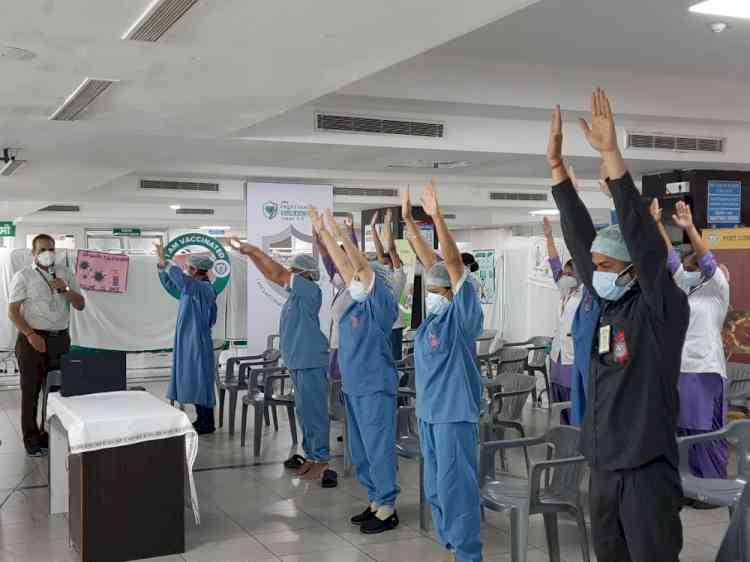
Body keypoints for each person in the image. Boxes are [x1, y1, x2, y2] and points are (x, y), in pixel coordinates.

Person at [548, 90, 689, 562]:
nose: (597, 271)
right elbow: (582, 239)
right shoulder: (610, 305)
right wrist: (559, 176)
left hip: (646, 471)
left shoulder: (660, 308)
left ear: (633, 267)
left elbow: (644, 243)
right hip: (603, 466)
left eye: (608, 264)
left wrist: (612, 157)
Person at [404, 181, 484, 562]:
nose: (434, 294)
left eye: (440, 290)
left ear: (452, 293)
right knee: (436, 488)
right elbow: (432, 264)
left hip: (454, 414)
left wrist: (437, 218)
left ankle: (469, 554)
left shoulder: (460, 318)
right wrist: (408, 220)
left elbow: (451, 266)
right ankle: (452, 545)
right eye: (431, 289)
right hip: (429, 415)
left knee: (456, 488)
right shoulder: (429, 324)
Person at [310, 207, 401, 534]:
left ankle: (388, 506)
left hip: (375, 386)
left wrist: (338, 230)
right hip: (354, 386)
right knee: (361, 450)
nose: (355, 279)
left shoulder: (380, 304)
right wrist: (323, 235)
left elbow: (359, 264)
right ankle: (376, 499)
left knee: (378, 448)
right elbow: (349, 268)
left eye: (361, 277)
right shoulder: (352, 300)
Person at [230, 239, 331, 482]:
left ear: (306, 274)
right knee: (305, 412)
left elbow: (277, 273)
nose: (290, 274)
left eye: (295, 271)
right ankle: (311, 456)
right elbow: (272, 274)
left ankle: (322, 460)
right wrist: (250, 255)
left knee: (315, 412)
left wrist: (255, 250)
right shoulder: (295, 296)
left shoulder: (310, 290)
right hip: (298, 361)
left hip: (310, 360)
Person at [651, 198, 730, 481]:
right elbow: (671, 259)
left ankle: (710, 483)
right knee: (683, 426)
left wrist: (691, 227)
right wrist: (659, 225)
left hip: (705, 369)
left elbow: (707, 261)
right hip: (681, 368)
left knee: (704, 429)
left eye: (692, 262)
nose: (686, 267)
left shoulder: (718, 287)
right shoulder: (688, 287)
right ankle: (689, 481)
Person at [8, 234, 85, 456]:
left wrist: (65, 290)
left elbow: (80, 305)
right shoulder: (24, 276)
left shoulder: (65, 273)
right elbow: (12, 312)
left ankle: (50, 433)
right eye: (42, 249)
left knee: (56, 391)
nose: (47, 253)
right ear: (33, 253)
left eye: (51, 248)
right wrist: (31, 334)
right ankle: (31, 438)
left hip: (59, 339)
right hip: (32, 339)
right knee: (31, 391)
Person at [156, 245, 218, 434]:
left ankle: (207, 423)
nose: (186, 271)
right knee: (193, 379)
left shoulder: (204, 288)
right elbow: (171, 283)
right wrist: (161, 266)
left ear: (196, 270)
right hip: (187, 340)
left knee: (201, 380)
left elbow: (183, 282)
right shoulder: (192, 288)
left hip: (197, 341)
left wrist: (167, 262)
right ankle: (201, 419)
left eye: (189, 268)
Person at [542, 216, 583, 424]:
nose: (564, 276)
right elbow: (554, 263)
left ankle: (576, 439)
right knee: (557, 399)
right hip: (557, 355)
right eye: (564, 273)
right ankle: (564, 435)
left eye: (569, 273)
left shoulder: (586, 294)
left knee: (573, 401)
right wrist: (549, 237)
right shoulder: (564, 290)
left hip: (573, 357)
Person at [370, 210, 407, 361]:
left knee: (393, 360)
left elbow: (391, 249)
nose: (381, 262)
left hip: (394, 326)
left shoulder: (398, 275)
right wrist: (372, 228)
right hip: (381, 324)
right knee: (380, 360)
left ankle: (397, 384)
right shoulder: (384, 273)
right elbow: (381, 253)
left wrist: (387, 224)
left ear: (393, 262)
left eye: (385, 261)